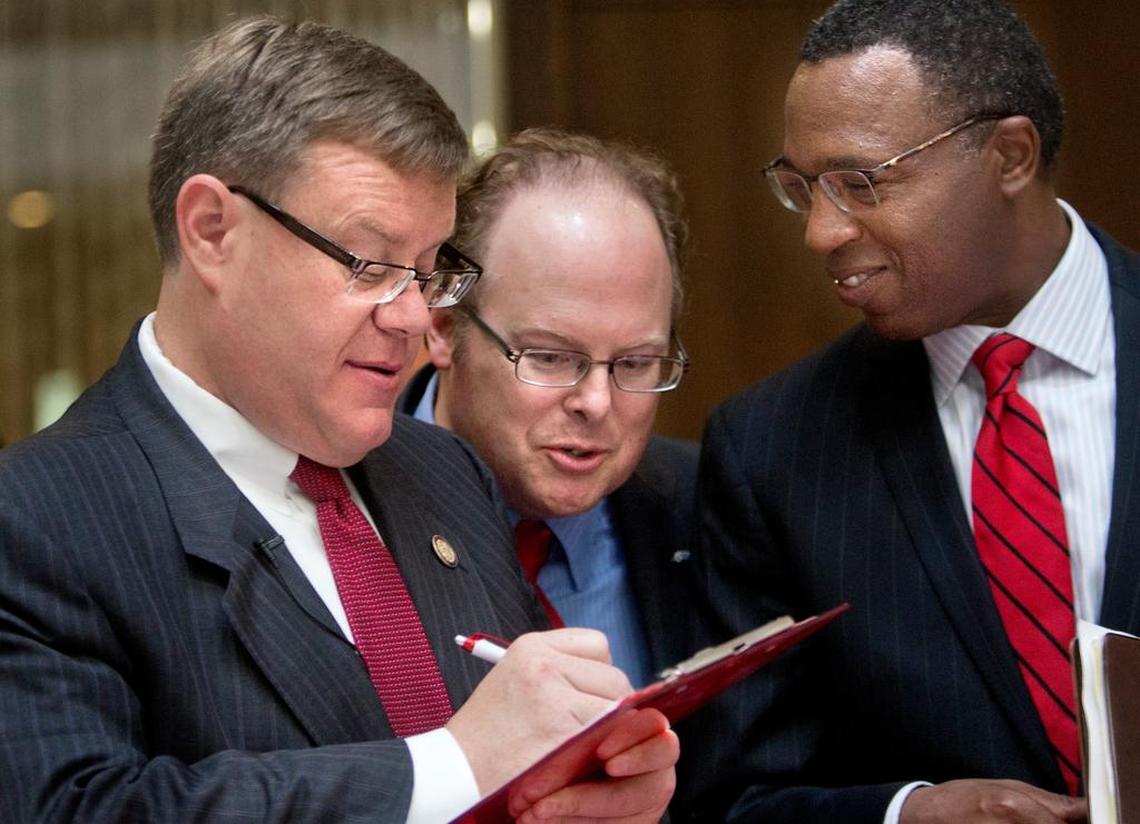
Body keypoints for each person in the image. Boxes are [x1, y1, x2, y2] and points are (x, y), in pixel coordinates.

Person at [0, 17, 678, 823]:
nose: (413, 318)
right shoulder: (38, 518)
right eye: (369, 264)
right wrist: (456, 765)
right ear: (213, 230)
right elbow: (81, 808)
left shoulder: (443, 470)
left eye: (430, 272)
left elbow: (529, 757)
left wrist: (596, 783)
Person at [685, 0, 1139, 822]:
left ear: (1009, 155)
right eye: (803, 188)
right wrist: (906, 814)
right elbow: (737, 800)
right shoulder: (773, 452)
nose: (822, 232)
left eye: (860, 183)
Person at [399, 127, 698, 691]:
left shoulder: (709, 509)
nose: (596, 403)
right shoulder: (337, 507)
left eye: (635, 364)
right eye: (552, 358)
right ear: (443, 328)